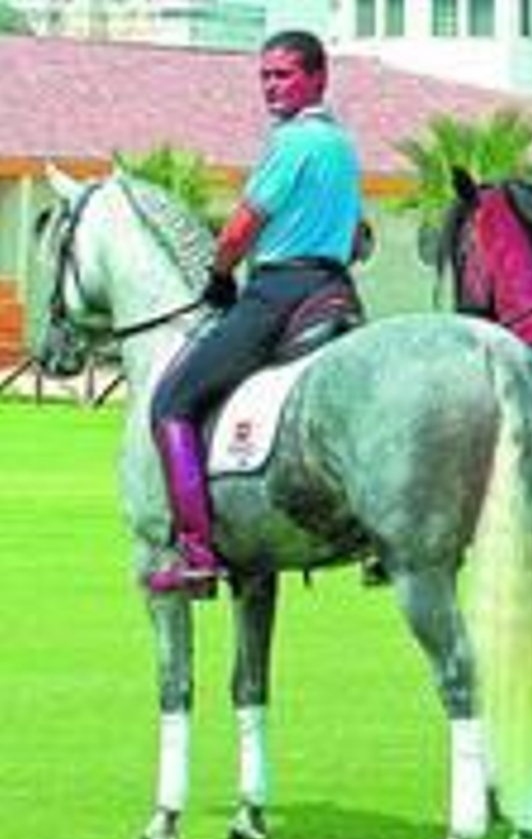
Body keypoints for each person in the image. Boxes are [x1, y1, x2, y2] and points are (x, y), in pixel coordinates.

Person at [146, 29, 362, 594]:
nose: (271, 86)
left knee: (172, 402)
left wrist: (219, 275)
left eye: (283, 74)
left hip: (280, 292)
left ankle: (196, 552)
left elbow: (243, 226)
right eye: (265, 75)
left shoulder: (291, 143)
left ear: (318, 78)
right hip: (336, 289)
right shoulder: (342, 144)